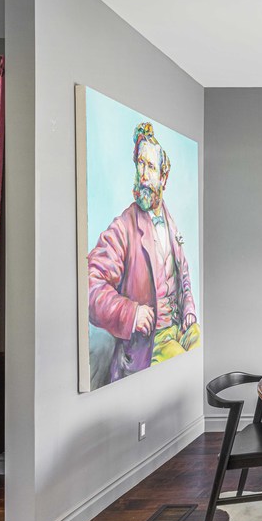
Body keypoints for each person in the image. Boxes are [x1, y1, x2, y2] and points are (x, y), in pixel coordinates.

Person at [87, 122, 199, 382]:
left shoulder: (170, 222)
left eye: (151, 167)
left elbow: (182, 273)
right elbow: (90, 286)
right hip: (149, 344)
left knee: (199, 344)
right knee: (191, 369)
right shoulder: (123, 227)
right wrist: (131, 312)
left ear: (163, 177)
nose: (144, 175)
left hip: (179, 327)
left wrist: (190, 308)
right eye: (140, 164)